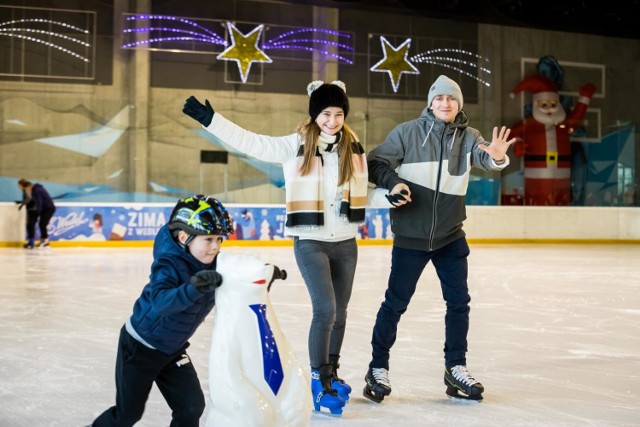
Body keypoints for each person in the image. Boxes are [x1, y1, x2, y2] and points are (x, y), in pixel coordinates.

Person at [183, 80, 367, 415]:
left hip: (346, 241)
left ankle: (332, 372)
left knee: (340, 314)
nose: (332, 120)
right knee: (325, 310)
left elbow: (364, 191)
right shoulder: (294, 146)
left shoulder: (352, 149)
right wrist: (213, 121)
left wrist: (394, 196)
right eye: (326, 113)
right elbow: (252, 142)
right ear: (315, 115)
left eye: (338, 114)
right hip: (310, 239)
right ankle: (318, 377)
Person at [363, 75, 516, 403]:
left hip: (450, 236)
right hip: (410, 234)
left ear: (459, 104)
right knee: (395, 303)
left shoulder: (469, 137)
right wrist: (393, 182)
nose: (445, 103)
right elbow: (375, 163)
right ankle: (377, 367)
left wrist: (498, 157)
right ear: (430, 102)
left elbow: (487, 159)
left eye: (452, 99)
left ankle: (455, 367)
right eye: (440, 98)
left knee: (459, 303)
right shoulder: (407, 132)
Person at [91, 195, 234, 426]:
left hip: (172, 350)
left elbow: (239, 276)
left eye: (220, 239)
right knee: (128, 414)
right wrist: (193, 288)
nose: (216, 246)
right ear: (183, 236)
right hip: (141, 347)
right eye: (208, 239)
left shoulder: (215, 263)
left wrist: (262, 275)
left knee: (191, 406)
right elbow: (160, 302)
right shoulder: (169, 263)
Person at [17, 178, 56, 249]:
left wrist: (37, 213)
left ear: (28, 187)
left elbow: (39, 202)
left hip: (48, 208)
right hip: (46, 209)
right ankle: (44, 241)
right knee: (41, 224)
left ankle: (45, 242)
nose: (27, 191)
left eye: (26, 190)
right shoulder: (36, 190)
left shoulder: (36, 191)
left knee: (42, 224)